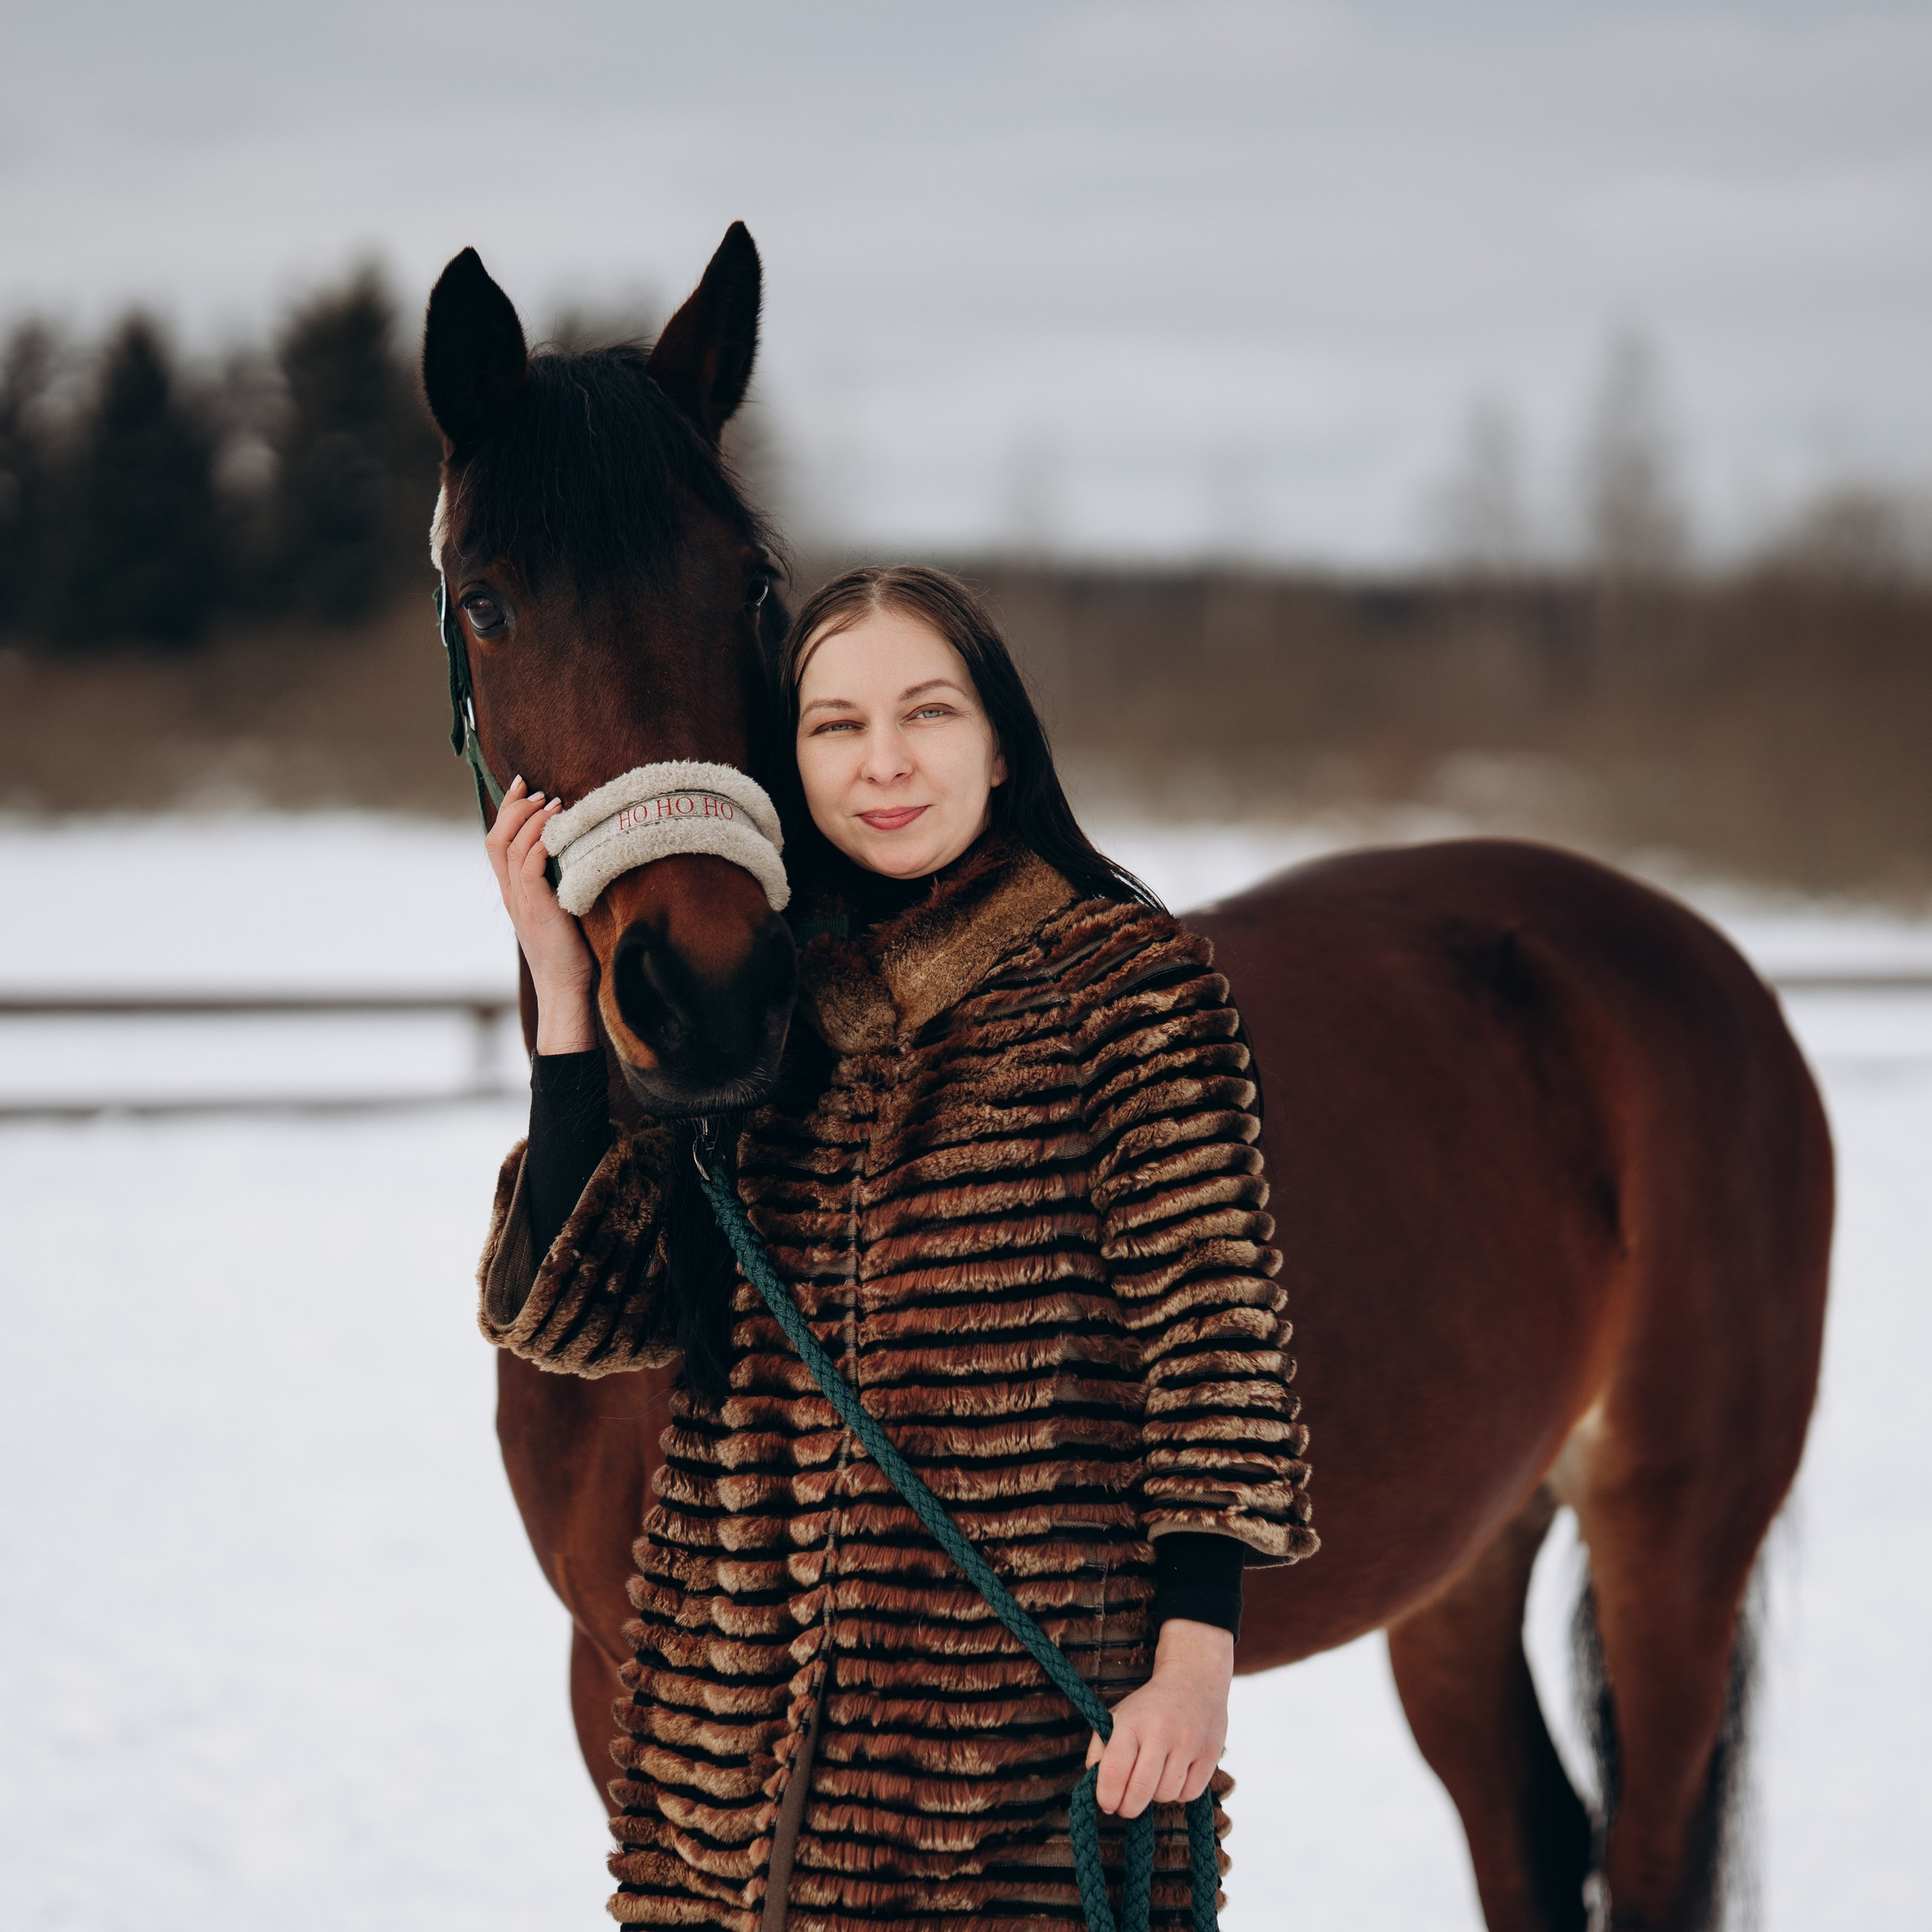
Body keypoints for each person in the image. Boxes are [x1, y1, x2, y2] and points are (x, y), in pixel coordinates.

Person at [478, 565, 1315, 1929]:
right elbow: (574, 1314)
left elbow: (1214, 1343)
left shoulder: (1127, 989)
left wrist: (1196, 1656)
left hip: (1010, 1772)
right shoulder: (759, 1009)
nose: (884, 765)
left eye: (927, 713)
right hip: (729, 1778)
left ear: (999, 741)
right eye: (833, 726)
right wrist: (568, 1002)